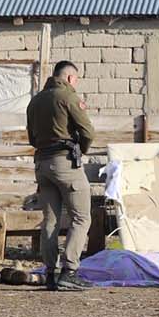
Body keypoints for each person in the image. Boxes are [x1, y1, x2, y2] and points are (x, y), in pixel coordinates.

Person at [26, 60, 96, 290]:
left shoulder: (34, 102)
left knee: (50, 220)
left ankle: (50, 273)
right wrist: (81, 151)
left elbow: (32, 139)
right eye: (75, 80)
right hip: (65, 163)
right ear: (69, 78)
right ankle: (70, 270)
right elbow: (88, 131)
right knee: (81, 217)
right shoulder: (68, 97)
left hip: (42, 164)